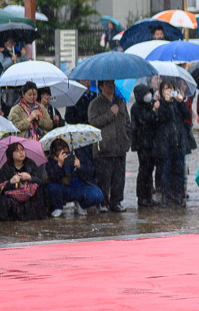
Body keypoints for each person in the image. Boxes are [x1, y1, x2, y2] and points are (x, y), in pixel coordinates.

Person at [87, 80, 131, 213]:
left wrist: (127, 139)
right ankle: (103, 202)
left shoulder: (120, 101)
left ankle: (116, 202)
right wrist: (110, 114)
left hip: (119, 147)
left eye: (112, 83)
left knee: (119, 178)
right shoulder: (95, 104)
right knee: (104, 178)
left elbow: (127, 121)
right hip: (103, 148)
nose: (111, 86)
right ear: (101, 87)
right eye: (107, 84)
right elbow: (93, 122)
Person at [152, 81, 194, 207]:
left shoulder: (178, 103)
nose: (169, 91)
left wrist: (181, 102)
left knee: (179, 171)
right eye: (166, 89)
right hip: (165, 144)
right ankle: (165, 195)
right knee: (165, 171)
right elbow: (161, 118)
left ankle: (178, 195)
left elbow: (187, 115)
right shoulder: (160, 104)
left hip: (178, 143)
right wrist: (166, 103)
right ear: (161, 91)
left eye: (171, 88)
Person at [45, 140, 105, 217]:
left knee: (98, 195)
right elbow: (52, 177)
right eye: (59, 150)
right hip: (65, 189)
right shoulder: (52, 160)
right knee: (51, 187)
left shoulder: (79, 154)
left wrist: (80, 166)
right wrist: (59, 165)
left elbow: (91, 172)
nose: (63, 151)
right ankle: (58, 207)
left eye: (64, 148)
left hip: (81, 188)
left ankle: (82, 205)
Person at [0, 142, 48, 221]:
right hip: (13, 197)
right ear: (11, 154)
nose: (21, 152)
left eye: (22, 150)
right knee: (4, 200)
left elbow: (41, 181)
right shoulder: (5, 169)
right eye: (17, 150)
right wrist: (11, 182)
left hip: (29, 195)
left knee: (39, 191)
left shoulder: (30, 164)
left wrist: (30, 177)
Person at [131, 81, 161, 207]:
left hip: (152, 143)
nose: (148, 95)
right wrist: (153, 111)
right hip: (142, 144)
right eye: (146, 93)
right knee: (144, 170)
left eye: (149, 92)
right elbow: (144, 121)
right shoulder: (136, 108)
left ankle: (148, 196)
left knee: (149, 170)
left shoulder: (150, 104)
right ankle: (142, 196)